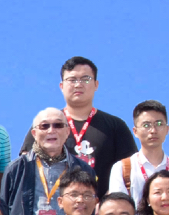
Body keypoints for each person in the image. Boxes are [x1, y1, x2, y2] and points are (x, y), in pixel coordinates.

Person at [53, 56, 133, 184]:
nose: (78, 84)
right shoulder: (46, 125)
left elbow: (131, 171)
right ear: (61, 86)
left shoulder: (116, 126)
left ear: (96, 85)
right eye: (72, 80)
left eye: (85, 79)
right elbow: (27, 167)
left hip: (104, 197)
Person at [108, 100, 169, 210]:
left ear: (167, 129)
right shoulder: (121, 168)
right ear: (135, 131)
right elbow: (118, 210)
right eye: (146, 125)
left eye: (159, 124)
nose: (153, 130)